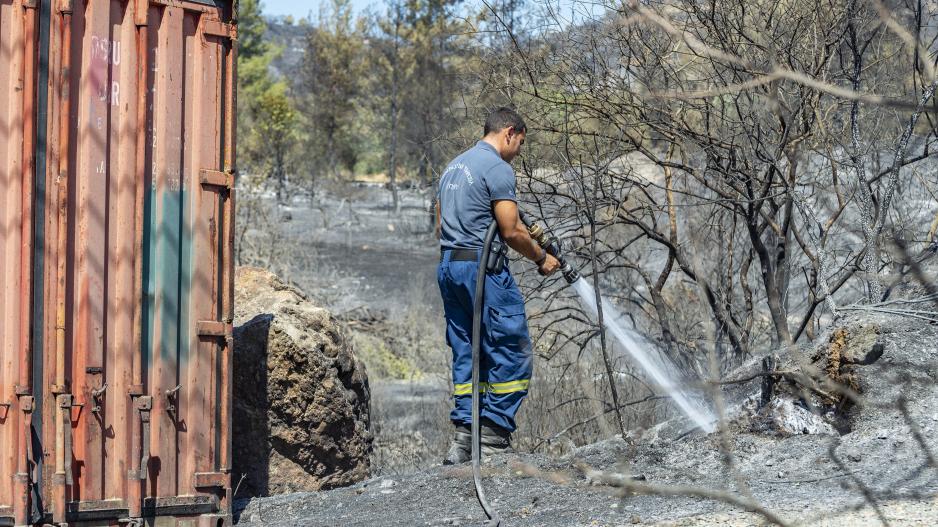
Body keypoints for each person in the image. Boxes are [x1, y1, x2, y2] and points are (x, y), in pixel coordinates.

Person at [435, 107, 560, 464]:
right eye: (520, 143)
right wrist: (541, 257)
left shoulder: (453, 167)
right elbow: (511, 231)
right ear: (509, 132)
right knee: (511, 347)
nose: (518, 151)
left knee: (468, 351)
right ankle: (491, 439)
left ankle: (464, 439)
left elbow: (440, 227)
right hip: (481, 270)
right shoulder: (497, 168)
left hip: (449, 267)